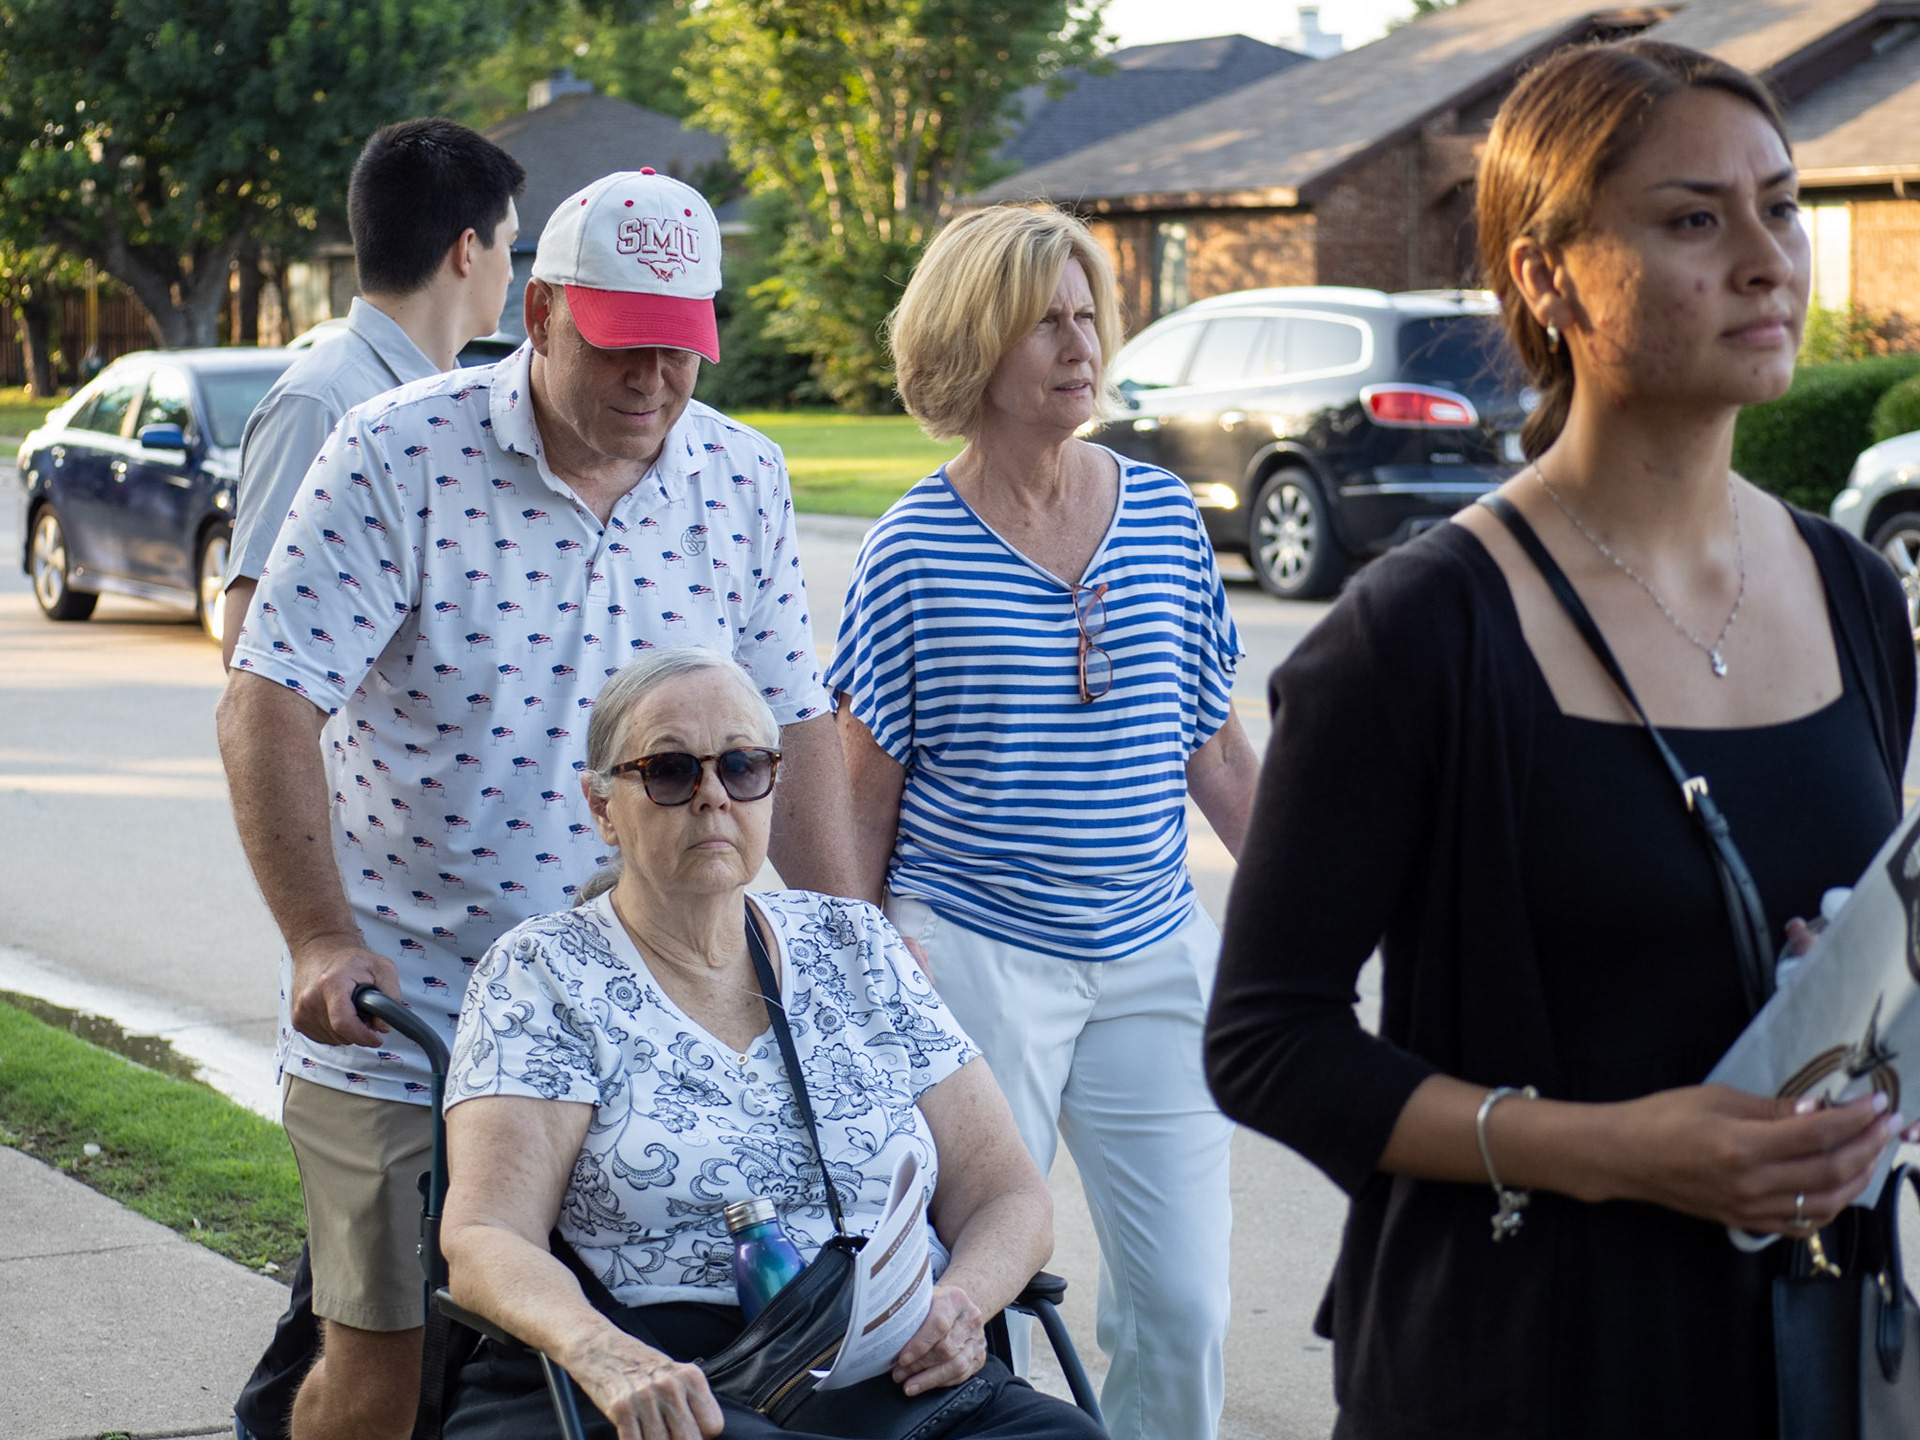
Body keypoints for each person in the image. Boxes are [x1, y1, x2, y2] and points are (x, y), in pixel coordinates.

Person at [1204, 40, 1920, 1440]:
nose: (1770, 260)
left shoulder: (1854, 596)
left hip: (1813, 1357)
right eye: (1693, 219)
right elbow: (1267, 1043)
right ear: (1546, 277)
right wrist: (1612, 1153)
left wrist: (1855, 1027)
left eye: (1781, 206)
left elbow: (1862, 936)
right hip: (1523, 1362)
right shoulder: (1419, 636)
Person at [216, 168, 857, 1440]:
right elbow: (267, 702)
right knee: (390, 1375)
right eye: (624, 349)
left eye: (682, 353)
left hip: (652, 1031)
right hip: (416, 1014)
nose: (654, 386)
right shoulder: (398, 449)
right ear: (547, 312)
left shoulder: (743, 476)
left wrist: (848, 936)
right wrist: (320, 939)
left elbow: (798, 720)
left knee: (644, 1374)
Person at [829, 203, 1260, 1440]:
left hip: (1151, 949)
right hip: (971, 951)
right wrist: (864, 976)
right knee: (981, 1295)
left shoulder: (1166, 516)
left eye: (1088, 318)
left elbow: (1216, 750)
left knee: (1184, 1305)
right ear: (976, 347)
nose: (1081, 348)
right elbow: (861, 796)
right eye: (1044, 325)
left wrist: (1304, 918)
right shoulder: (912, 550)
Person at [437, 648, 1102, 1440]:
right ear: (603, 804)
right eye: (672, 771)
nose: (714, 797)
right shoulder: (543, 973)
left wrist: (963, 1302)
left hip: (891, 1372)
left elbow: (1009, 1195)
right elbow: (485, 1236)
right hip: (678, 1377)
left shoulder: (855, 943)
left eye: (744, 766)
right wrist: (603, 1354)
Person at [221, 117, 527, 667]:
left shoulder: (471, 401)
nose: (512, 272)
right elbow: (252, 649)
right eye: (508, 244)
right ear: (467, 250)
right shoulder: (321, 403)